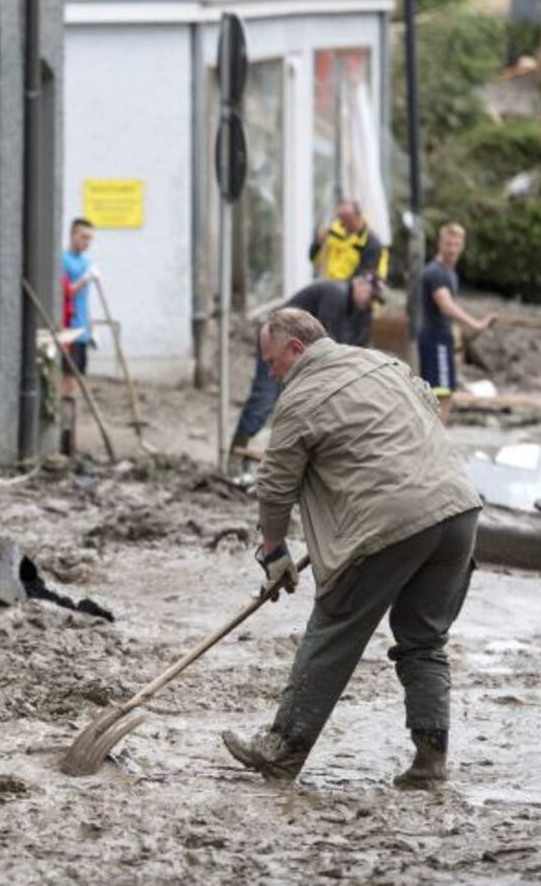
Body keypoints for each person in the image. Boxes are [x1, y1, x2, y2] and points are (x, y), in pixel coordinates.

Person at [221, 309, 482, 788]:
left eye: (272, 362)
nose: (271, 373)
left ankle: (282, 751)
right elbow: (427, 402)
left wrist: (273, 551)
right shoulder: (382, 362)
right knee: (424, 640)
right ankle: (430, 763)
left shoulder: (299, 397)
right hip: (458, 510)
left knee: (333, 629)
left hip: (386, 522)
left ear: (296, 349)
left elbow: (275, 483)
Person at [231, 272, 386, 454]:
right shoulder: (336, 294)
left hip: (299, 352)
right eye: (370, 295)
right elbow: (326, 341)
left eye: (374, 300)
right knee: (265, 398)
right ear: (360, 284)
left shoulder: (363, 312)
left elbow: (358, 348)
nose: (370, 302)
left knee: (295, 404)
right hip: (275, 340)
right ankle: (237, 452)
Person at [415, 222, 496, 425]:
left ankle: (436, 438)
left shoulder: (450, 273)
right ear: (440, 243)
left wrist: (457, 338)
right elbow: (446, 306)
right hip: (434, 340)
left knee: (446, 393)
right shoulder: (435, 272)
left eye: (456, 244)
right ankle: (433, 440)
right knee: (440, 395)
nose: (452, 249)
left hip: (443, 339)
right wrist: (476, 325)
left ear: (462, 245)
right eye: (448, 244)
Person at [60, 218, 98, 454]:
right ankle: (65, 435)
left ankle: (71, 434)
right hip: (70, 329)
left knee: (78, 377)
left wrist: (90, 325)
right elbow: (67, 292)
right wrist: (85, 279)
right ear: (73, 235)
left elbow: (85, 300)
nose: (87, 242)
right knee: (68, 380)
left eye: (90, 239)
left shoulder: (85, 261)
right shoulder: (64, 261)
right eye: (83, 237)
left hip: (83, 330)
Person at [310, 199, 389, 282]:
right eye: (341, 218)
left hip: (351, 286)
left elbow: (366, 274)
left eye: (348, 220)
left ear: (358, 216)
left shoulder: (370, 242)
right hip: (328, 283)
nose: (344, 224)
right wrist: (318, 243)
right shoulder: (332, 233)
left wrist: (342, 285)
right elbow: (314, 258)